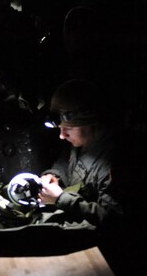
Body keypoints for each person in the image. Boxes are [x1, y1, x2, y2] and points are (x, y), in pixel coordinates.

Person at [36, 78, 123, 230]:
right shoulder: (81, 142)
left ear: (91, 123)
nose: (62, 136)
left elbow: (112, 219)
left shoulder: (113, 159)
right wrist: (53, 176)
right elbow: (64, 162)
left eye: (68, 129)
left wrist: (61, 198)